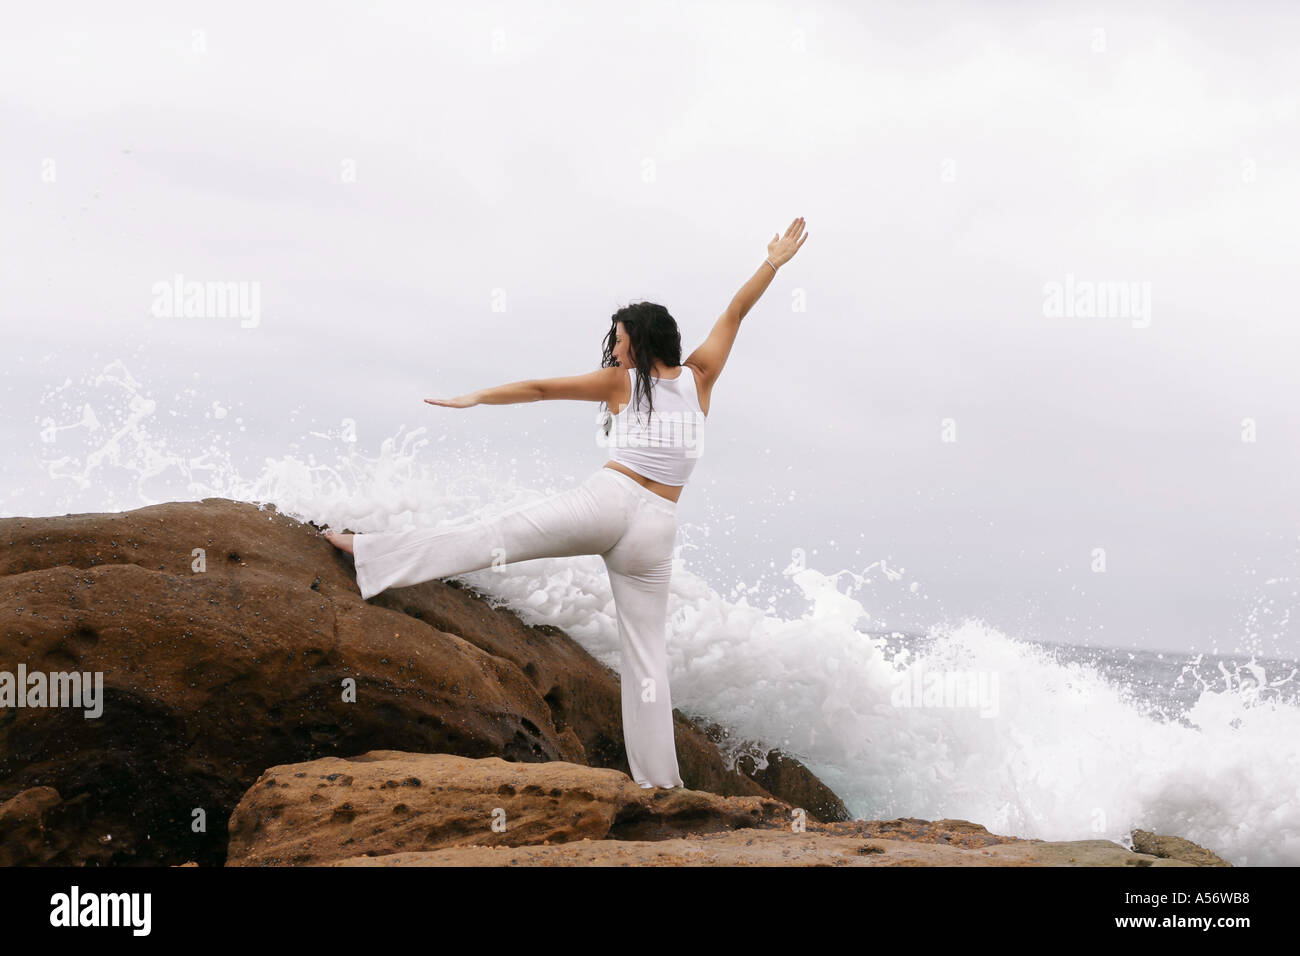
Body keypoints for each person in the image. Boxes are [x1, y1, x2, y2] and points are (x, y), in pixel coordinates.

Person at [325, 217, 810, 788]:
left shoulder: (622, 384)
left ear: (639, 340)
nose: (614, 345)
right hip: (658, 527)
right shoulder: (700, 378)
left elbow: (539, 389)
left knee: (496, 535)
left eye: (619, 337)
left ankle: (371, 556)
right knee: (647, 659)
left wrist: (476, 397)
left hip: (610, 501)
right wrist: (773, 264)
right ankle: (661, 786)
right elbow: (735, 311)